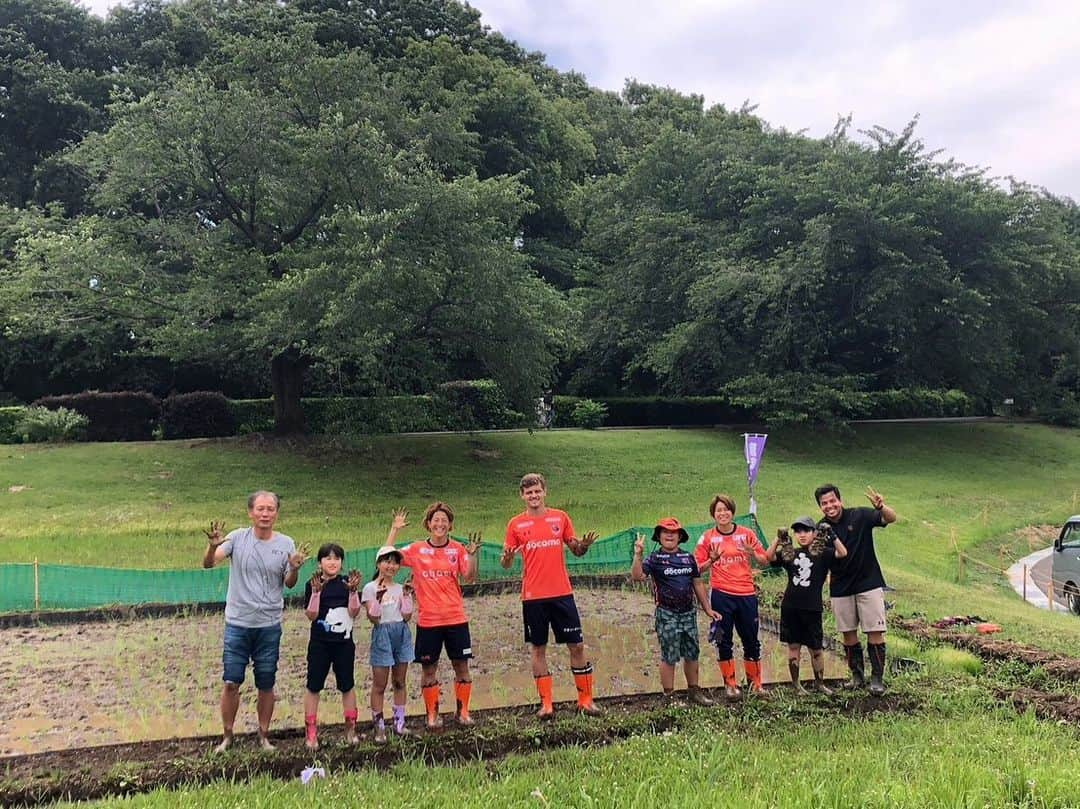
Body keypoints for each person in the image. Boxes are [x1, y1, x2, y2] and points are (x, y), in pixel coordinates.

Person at [202, 491, 307, 752]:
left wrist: (294, 568)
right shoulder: (237, 538)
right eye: (260, 509)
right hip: (238, 622)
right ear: (250, 512)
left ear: (276, 514)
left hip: (269, 624)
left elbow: (289, 583)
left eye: (270, 509)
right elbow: (208, 563)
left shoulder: (286, 543)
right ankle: (227, 736)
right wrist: (214, 545)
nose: (265, 514)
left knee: (266, 682)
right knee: (231, 681)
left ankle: (263, 735)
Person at [502, 472, 601, 718]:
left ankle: (585, 700)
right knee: (538, 648)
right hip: (533, 596)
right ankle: (546, 704)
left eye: (537, 491)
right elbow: (506, 562)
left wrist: (584, 546)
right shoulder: (515, 524)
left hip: (561, 593)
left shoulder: (560, 517)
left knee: (576, 645)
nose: (533, 496)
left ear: (544, 492)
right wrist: (506, 558)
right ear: (522, 496)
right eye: (528, 492)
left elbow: (575, 549)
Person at [387, 504, 481, 729]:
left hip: (456, 619)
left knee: (462, 666)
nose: (440, 524)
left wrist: (472, 555)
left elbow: (469, 577)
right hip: (429, 621)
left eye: (444, 520)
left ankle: (463, 712)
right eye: (435, 520)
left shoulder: (458, 549)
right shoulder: (417, 549)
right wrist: (395, 529)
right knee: (429, 669)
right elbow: (387, 557)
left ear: (450, 525)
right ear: (428, 524)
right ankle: (432, 715)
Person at [815, 484, 898, 696]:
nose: (829, 506)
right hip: (840, 586)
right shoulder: (821, 529)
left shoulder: (859, 515)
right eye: (824, 503)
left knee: (875, 630)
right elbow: (821, 558)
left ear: (839, 500)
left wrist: (882, 507)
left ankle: (877, 678)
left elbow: (890, 518)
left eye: (832, 501)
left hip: (868, 582)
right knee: (848, 633)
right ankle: (857, 676)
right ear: (820, 507)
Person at [631, 517, 720, 705]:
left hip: (688, 613)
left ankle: (694, 691)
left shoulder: (688, 558)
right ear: (659, 536)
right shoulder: (654, 559)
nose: (669, 535)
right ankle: (669, 696)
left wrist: (708, 609)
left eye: (673, 533)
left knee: (692, 653)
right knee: (669, 655)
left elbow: (697, 583)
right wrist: (638, 555)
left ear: (680, 537)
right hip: (667, 614)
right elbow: (638, 576)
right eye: (665, 532)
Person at [693, 493, 770, 697]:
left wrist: (753, 554)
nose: (723, 513)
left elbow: (765, 560)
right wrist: (711, 561)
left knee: (751, 639)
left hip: (746, 594)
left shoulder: (746, 534)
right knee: (723, 639)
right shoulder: (707, 538)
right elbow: (696, 568)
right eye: (719, 510)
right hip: (721, 595)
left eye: (726, 509)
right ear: (713, 514)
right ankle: (730, 685)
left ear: (732, 512)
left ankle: (756, 684)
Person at [766, 517, 847, 694]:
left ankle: (820, 683)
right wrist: (778, 539)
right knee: (794, 647)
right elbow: (768, 557)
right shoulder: (790, 553)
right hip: (790, 607)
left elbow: (842, 553)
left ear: (814, 533)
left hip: (812, 608)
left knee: (816, 648)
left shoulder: (823, 553)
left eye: (806, 531)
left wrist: (831, 534)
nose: (802, 535)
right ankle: (796, 684)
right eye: (798, 531)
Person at [302, 543, 362, 750]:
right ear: (320, 562)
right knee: (313, 686)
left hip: (344, 644)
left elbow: (354, 612)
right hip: (320, 644)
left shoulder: (347, 583)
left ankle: (350, 729)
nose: (332, 562)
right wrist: (316, 593)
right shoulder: (312, 584)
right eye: (327, 558)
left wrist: (353, 592)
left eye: (336, 558)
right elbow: (311, 615)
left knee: (347, 684)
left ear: (342, 563)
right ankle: (311, 733)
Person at [361, 544, 416, 742]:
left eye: (394, 563)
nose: (391, 566)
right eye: (386, 562)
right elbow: (373, 619)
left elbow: (407, 616)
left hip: (400, 632)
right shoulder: (369, 588)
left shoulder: (401, 588)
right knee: (380, 684)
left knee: (399, 681)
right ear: (378, 564)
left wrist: (408, 596)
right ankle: (379, 726)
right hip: (382, 634)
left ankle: (399, 722)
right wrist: (376, 601)